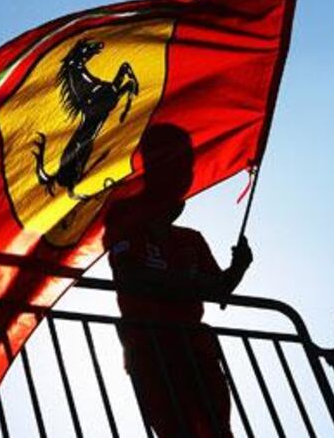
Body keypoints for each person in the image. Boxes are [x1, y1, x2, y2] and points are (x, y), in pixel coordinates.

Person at [104, 124, 253, 438]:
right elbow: (133, 278)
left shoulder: (191, 239)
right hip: (150, 348)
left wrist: (238, 268)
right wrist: (190, 284)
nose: (183, 175)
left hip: (197, 349)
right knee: (175, 430)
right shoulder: (122, 222)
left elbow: (219, 290)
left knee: (218, 430)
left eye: (186, 164)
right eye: (173, 163)